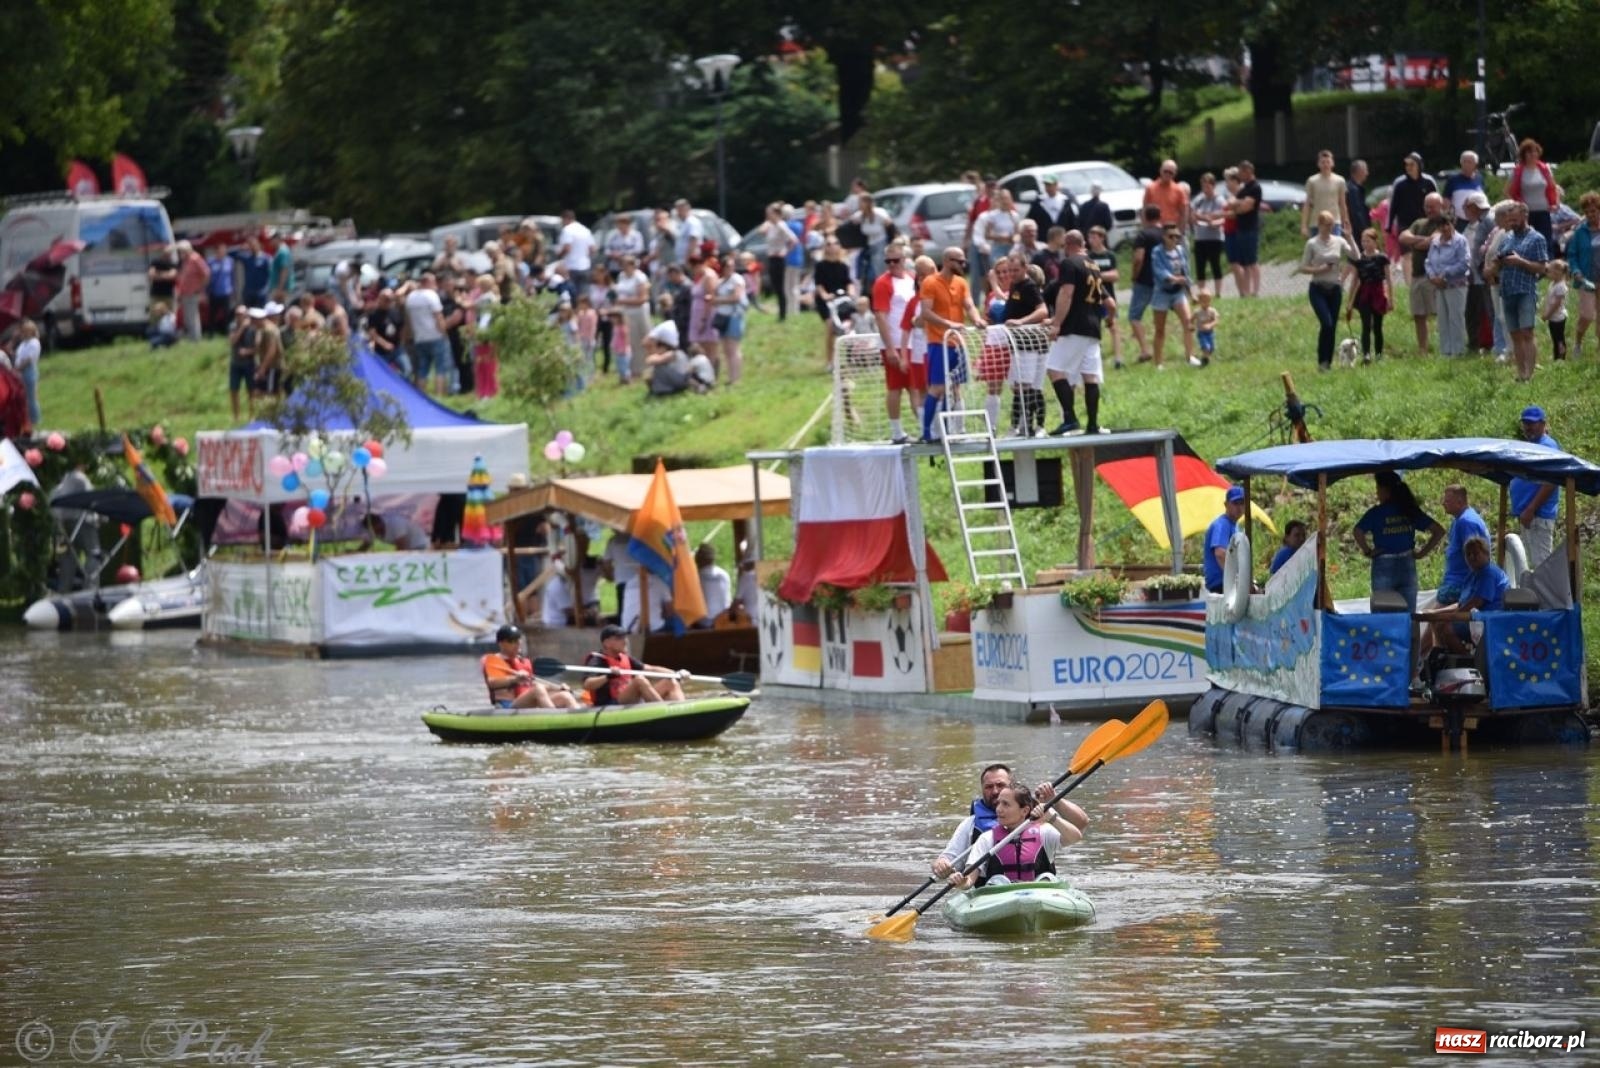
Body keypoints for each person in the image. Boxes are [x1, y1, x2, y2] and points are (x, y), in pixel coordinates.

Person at [948, 781, 1088, 889]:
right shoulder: (987, 838)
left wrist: (1052, 817)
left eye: (1006, 805)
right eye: (998, 804)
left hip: (1040, 894)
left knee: (1047, 878)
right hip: (1001, 896)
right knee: (997, 882)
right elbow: (969, 881)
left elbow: (1076, 837)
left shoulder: (1044, 832)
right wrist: (961, 882)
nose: (998, 809)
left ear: (1024, 810)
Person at [1042, 230, 1107, 436]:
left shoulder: (1070, 263)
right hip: (1093, 328)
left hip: (1074, 327)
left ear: (1068, 244)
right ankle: (1093, 424)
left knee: (1054, 369)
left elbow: (1067, 293)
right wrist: (1109, 319)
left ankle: (1070, 418)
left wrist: (1057, 323)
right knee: (1090, 376)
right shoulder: (1094, 265)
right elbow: (1110, 303)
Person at [1353, 472, 1445, 613]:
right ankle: (1410, 636)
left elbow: (1358, 531)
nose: (1377, 493)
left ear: (1386, 490)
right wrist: (1421, 553)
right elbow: (1438, 531)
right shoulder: (1409, 510)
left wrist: (1368, 551)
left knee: (1383, 615)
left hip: (1384, 564)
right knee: (1409, 616)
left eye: (1378, 489)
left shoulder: (1377, 512)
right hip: (1407, 563)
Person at [918, 245, 984, 443]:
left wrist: (977, 319)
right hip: (939, 342)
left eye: (963, 261)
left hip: (958, 342)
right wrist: (949, 324)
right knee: (937, 388)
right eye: (958, 261)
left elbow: (969, 305)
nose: (962, 264)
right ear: (946, 261)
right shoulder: (930, 282)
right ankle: (927, 431)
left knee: (954, 387)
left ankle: (950, 431)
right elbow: (926, 312)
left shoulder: (961, 282)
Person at [1417, 536, 1508, 664]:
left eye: (1476, 553)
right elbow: (1461, 604)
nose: (1472, 557)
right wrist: (1435, 613)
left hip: (1487, 620)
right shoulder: (1472, 574)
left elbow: (1476, 603)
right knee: (1436, 622)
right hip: (1471, 618)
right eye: (1468, 554)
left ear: (1486, 554)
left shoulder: (1489, 573)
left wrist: (1450, 617)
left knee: (1446, 627)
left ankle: (1471, 662)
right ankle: (1443, 659)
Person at [1488, 201, 1550, 383]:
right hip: (1507, 291)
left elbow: (1541, 267)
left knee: (1527, 332)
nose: (1512, 223)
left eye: (1515, 219)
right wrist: (1494, 266)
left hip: (1525, 290)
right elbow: (1498, 261)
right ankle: (1521, 372)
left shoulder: (1537, 238)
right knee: (1514, 334)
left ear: (1525, 216)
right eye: (1509, 220)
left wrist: (1520, 261)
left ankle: (1530, 373)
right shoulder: (1507, 238)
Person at [1294, 210, 1353, 370]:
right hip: (1318, 288)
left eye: (1332, 225)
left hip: (1334, 288)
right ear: (1319, 225)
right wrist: (1319, 270)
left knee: (1332, 326)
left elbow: (1356, 256)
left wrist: (1349, 237)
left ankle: (1328, 362)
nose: (1329, 228)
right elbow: (1302, 267)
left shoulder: (1338, 241)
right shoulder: (1312, 243)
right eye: (1326, 225)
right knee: (1326, 323)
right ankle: (1322, 360)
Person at [872, 242, 919, 444]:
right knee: (895, 387)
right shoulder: (883, 283)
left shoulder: (911, 279)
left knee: (915, 387)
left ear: (904, 260)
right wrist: (890, 347)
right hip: (895, 342)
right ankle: (896, 432)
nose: (892, 265)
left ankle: (927, 428)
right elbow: (880, 317)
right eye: (888, 261)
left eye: (896, 260)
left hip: (911, 341)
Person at [931, 764, 1013, 877]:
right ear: (982, 790)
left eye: (1000, 785)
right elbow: (949, 859)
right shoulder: (970, 825)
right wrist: (941, 864)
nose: (995, 791)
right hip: (987, 889)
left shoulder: (1032, 818)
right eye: (989, 787)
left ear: (1012, 787)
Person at [582, 624, 687, 705]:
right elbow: (587, 684)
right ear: (607, 643)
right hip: (610, 704)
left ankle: (683, 711)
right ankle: (663, 710)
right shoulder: (597, 660)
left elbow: (650, 669)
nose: (625, 641)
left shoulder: (625, 658)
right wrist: (607, 677)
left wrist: (675, 673)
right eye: (619, 638)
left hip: (630, 698)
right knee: (639, 680)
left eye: (624, 637)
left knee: (671, 682)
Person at [482, 624, 581, 710]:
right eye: (512, 641)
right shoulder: (493, 660)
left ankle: (579, 721)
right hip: (507, 706)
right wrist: (515, 679)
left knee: (565, 695)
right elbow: (492, 683)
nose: (517, 644)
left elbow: (532, 683)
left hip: (526, 702)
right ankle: (554, 717)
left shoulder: (523, 662)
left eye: (518, 640)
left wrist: (557, 688)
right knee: (538, 689)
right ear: (501, 643)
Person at [1510, 406, 1560, 570]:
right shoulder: (1532, 445)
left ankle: (1547, 596)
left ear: (1543, 424)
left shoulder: (1548, 446)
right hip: (1529, 516)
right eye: (1525, 423)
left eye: (1532, 423)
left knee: (1542, 566)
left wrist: (1531, 509)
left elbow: (1551, 481)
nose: (1528, 427)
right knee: (1535, 565)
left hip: (1537, 515)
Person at [1399, 192, 1449, 356]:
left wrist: (1416, 241)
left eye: (1432, 206)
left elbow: (1432, 242)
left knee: (1439, 313)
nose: (1429, 209)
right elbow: (1402, 237)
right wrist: (1420, 240)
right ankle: (1423, 349)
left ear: (1441, 206)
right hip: (1417, 275)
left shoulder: (1445, 223)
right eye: (1426, 206)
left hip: (1434, 276)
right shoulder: (1419, 223)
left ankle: (1445, 346)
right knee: (1419, 314)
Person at [1151, 224, 1199, 368]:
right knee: (1160, 330)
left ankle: (1190, 356)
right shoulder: (1157, 252)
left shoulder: (1181, 251)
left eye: (1177, 236)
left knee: (1188, 323)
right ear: (1164, 237)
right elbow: (1159, 271)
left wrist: (1191, 293)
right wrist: (1173, 278)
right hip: (1162, 293)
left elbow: (1186, 273)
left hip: (1178, 292)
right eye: (1171, 236)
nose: (1174, 239)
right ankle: (1158, 362)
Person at [1424, 215, 1472, 357]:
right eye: (1441, 225)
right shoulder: (1435, 242)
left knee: (1455, 318)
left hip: (1456, 285)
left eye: (1447, 224)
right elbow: (1428, 261)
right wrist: (1432, 275)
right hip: (1439, 286)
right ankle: (1446, 351)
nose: (1444, 228)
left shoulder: (1460, 241)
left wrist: (1445, 274)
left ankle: (1458, 351)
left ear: (1453, 224)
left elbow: (1464, 263)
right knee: (1443, 319)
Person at [1435, 484, 1490, 606]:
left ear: (1459, 502)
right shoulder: (1459, 520)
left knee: (1434, 621)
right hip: (1455, 580)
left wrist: (1471, 587)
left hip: (1460, 583)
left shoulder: (1466, 522)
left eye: (1447, 500)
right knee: (1442, 623)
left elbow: (1475, 554)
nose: (1443, 503)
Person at [1506, 139, 1560, 248]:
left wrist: (1556, 203)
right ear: (1524, 154)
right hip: (1526, 214)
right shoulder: (1517, 171)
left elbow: (1554, 187)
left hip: (1544, 212)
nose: (1533, 154)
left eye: (1535, 151)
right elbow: (1508, 191)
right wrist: (1517, 206)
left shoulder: (1545, 169)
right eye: (1529, 152)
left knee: (1545, 242)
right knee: (1527, 243)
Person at [1127, 205, 1164, 363]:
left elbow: (1138, 258)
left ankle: (1145, 350)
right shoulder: (1166, 233)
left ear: (1144, 217)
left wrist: (1134, 275)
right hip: (1164, 280)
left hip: (1145, 280)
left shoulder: (1143, 235)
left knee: (1134, 316)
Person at [404, 273, 451, 395]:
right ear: (427, 282)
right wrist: (444, 333)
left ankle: (422, 395)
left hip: (419, 337)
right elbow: (438, 316)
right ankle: (440, 394)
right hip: (435, 336)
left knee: (422, 369)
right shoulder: (431, 295)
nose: (435, 285)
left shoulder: (410, 297)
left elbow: (408, 320)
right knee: (440, 367)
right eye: (433, 282)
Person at [1085, 226, 1123, 369]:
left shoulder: (1110, 255)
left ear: (1102, 238)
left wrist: (1097, 275)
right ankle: (1096, 357)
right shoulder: (1088, 256)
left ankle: (1118, 358)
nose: (1091, 240)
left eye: (1095, 237)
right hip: (1093, 298)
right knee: (1095, 328)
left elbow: (1115, 275)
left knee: (1113, 326)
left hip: (1109, 296)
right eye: (1090, 237)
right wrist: (1105, 275)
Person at [1228, 161, 1264, 298]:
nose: (1239, 175)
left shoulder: (1255, 187)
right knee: (1244, 262)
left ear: (1248, 171)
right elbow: (1232, 205)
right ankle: (1246, 292)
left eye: (1241, 172)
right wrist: (1239, 204)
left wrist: (1237, 205)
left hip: (1250, 228)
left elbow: (1247, 207)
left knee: (1252, 261)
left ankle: (1256, 291)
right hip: (1240, 228)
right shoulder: (1243, 189)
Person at [1189, 172, 1228, 296]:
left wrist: (1213, 222)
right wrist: (1198, 218)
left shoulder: (1219, 200)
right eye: (1203, 186)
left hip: (1214, 237)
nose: (1205, 189)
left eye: (1207, 186)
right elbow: (1193, 213)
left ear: (1213, 186)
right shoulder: (1200, 200)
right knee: (1200, 266)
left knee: (1215, 264)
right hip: (1200, 237)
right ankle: (1202, 292)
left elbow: (1223, 217)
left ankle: (1218, 293)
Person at [1204, 486, 1245, 594]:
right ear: (1226, 505)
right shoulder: (1222, 524)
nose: (1239, 507)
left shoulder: (1235, 526)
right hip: (1221, 585)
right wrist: (1235, 578)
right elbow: (1220, 553)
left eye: (1242, 503)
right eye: (1235, 503)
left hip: (1226, 584)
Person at [1301, 150, 1351, 238]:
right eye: (1323, 162)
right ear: (1318, 164)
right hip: (1316, 223)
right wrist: (1304, 226)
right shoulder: (1312, 181)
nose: (1325, 165)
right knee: (1317, 251)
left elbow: (1343, 204)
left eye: (1328, 162)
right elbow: (1307, 205)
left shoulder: (1340, 181)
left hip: (1335, 222)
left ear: (1332, 163)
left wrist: (1345, 223)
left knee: (1334, 250)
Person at [12, 320, 41, 429]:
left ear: (31, 331)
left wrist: (17, 369)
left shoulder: (34, 342)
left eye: (25, 331)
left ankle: (34, 420)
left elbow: (29, 359)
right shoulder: (23, 343)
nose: (23, 333)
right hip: (20, 371)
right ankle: (26, 420)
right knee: (24, 398)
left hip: (28, 371)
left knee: (31, 397)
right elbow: (17, 355)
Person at [695, 543, 732, 627]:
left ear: (698, 559)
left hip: (704, 623)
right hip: (724, 620)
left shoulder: (696, 577)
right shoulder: (724, 574)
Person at [1444, 151, 1485, 224]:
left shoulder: (1479, 179)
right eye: (1464, 162)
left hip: (1477, 221)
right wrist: (1449, 218)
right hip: (1458, 221)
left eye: (1469, 162)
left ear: (1475, 164)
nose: (1466, 164)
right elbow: (1446, 200)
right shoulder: (1453, 180)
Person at [1541, 260, 1570, 362]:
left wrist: (1547, 314)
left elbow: (1557, 304)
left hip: (1558, 317)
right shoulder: (1553, 284)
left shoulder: (1561, 286)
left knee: (1559, 339)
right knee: (1555, 338)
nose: (1547, 274)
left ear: (1557, 272)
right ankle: (1556, 355)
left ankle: (1561, 357)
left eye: (1549, 271)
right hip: (1553, 318)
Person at [366, 510, 431, 550]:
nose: (374, 531)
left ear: (379, 522)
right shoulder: (373, 530)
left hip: (420, 545)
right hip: (409, 549)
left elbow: (401, 546)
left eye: (375, 528)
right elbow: (366, 543)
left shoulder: (395, 523)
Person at [1345, 159, 1371, 239]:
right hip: (1357, 232)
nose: (1367, 173)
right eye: (1365, 170)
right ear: (1359, 171)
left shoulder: (1355, 188)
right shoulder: (1353, 189)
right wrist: (1364, 229)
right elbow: (1356, 211)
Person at [1192, 290, 1218, 362]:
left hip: (1210, 332)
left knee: (1212, 348)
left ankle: (1205, 357)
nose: (1206, 303)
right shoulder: (1197, 312)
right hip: (1201, 333)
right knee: (1206, 346)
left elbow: (1216, 320)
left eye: (1208, 301)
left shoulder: (1212, 311)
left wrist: (1210, 325)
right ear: (1199, 302)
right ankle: (1205, 359)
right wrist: (1191, 325)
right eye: (1204, 301)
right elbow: (1191, 319)